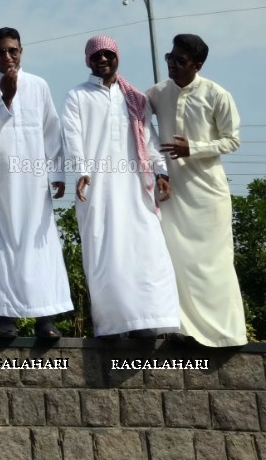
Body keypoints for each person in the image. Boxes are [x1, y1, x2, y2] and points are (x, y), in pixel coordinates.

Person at [61, 35, 179, 338]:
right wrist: (82, 172)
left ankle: (147, 320)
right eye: (96, 55)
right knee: (105, 251)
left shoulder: (136, 98)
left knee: (146, 249)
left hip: (136, 186)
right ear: (88, 60)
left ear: (117, 57)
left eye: (108, 54)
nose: (103, 59)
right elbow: (72, 137)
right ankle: (114, 324)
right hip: (98, 188)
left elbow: (148, 139)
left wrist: (161, 171)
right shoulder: (77, 96)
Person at [0, 27, 71, 338]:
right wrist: (7, 99)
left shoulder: (38, 85)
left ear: (22, 50)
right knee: (0, 246)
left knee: (39, 246)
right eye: (1, 51)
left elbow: (52, 132)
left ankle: (45, 319)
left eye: (13, 50)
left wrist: (57, 174)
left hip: (34, 182)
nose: (8, 56)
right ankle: (5, 318)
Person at [147, 33, 247, 347]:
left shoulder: (217, 94)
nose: (172, 65)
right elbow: (132, 107)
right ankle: (180, 328)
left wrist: (195, 147)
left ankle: (224, 334)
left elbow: (232, 140)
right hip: (172, 194)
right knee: (176, 259)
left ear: (197, 64)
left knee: (214, 263)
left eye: (180, 60)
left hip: (208, 193)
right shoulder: (158, 93)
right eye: (169, 58)